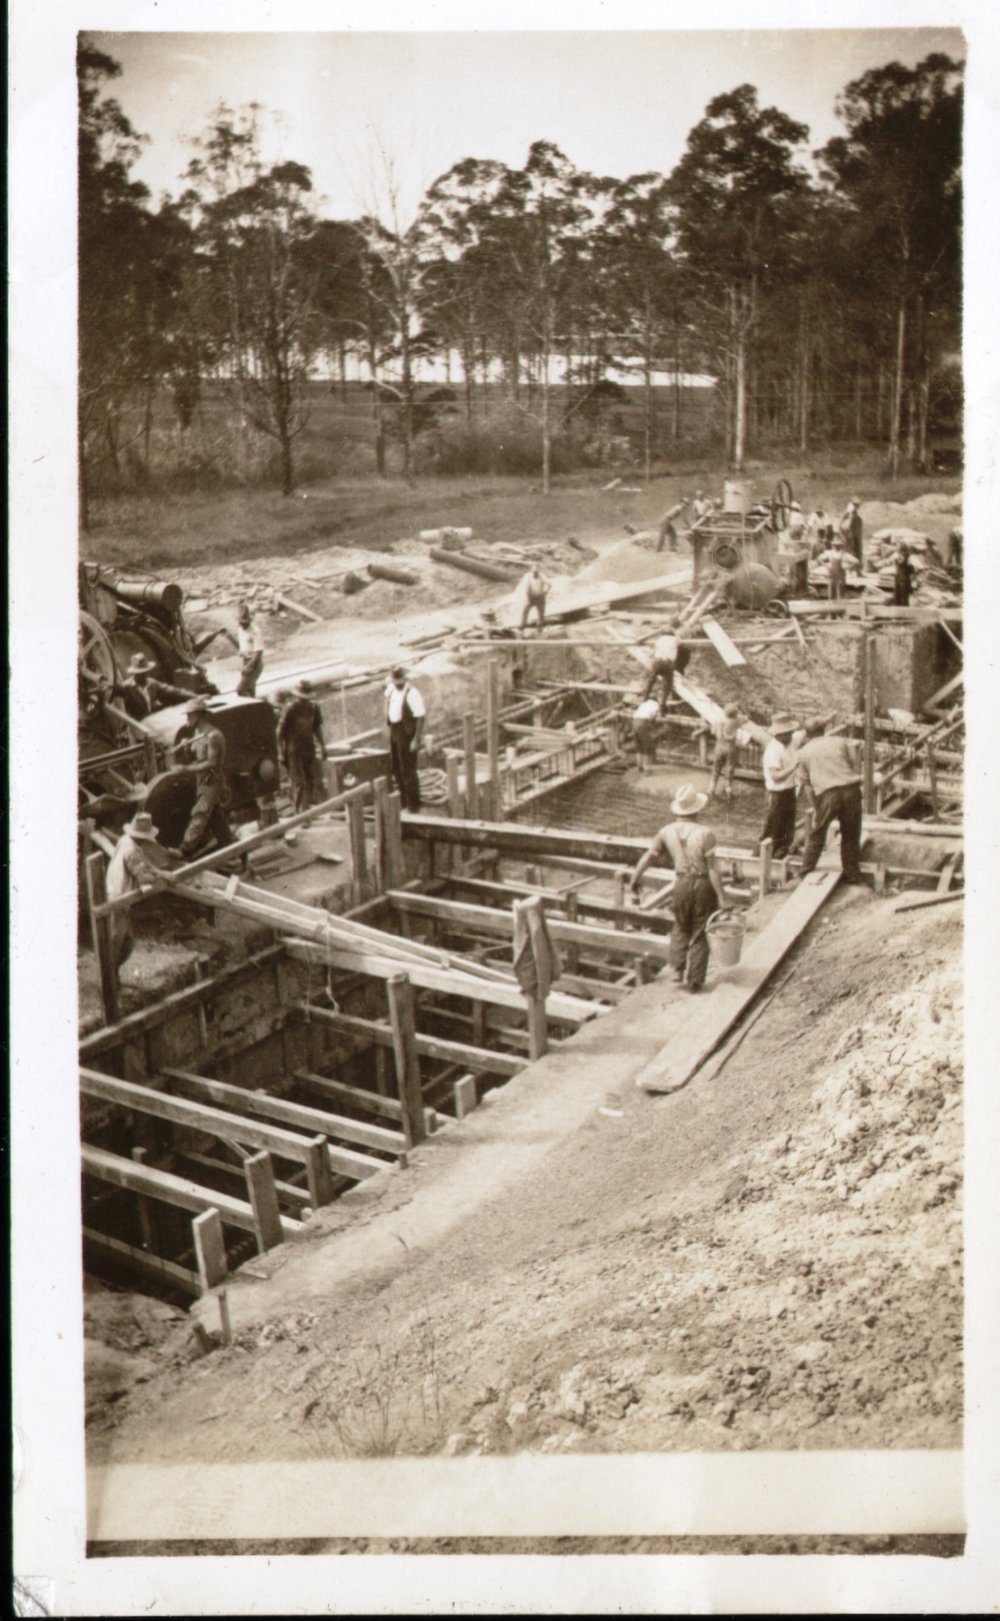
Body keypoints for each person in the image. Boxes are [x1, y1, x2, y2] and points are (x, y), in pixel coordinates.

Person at [626, 784, 728, 993]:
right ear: (697, 810)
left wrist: (635, 879)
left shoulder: (666, 831)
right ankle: (695, 980)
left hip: (680, 883)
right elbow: (712, 869)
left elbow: (649, 857)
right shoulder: (705, 833)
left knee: (681, 926)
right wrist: (722, 896)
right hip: (702, 885)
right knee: (700, 930)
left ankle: (677, 970)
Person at [795, 719, 865, 885]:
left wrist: (816, 808)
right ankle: (852, 874)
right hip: (851, 790)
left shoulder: (803, 752)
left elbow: (807, 786)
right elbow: (854, 763)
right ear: (824, 730)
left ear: (806, 734)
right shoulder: (839, 742)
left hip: (827, 794)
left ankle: (805, 872)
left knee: (817, 834)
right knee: (851, 834)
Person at [104, 811, 175, 965]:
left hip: (114, 890)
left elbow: (144, 862)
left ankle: (113, 977)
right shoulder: (131, 850)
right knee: (118, 942)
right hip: (119, 896)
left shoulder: (125, 840)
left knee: (127, 941)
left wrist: (161, 872)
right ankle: (110, 981)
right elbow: (143, 877)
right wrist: (163, 877)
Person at [172, 697, 236, 860]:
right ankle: (232, 848)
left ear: (199, 715)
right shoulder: (197, 734)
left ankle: (184, 849)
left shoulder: (213, 735)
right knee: (215, 815)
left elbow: (211, 763)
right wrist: (186, 748)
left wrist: (186, 769)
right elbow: (194, 757)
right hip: (202, 779)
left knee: (200, 812)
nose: (187, 719)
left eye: (190, 715)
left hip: (212, 780)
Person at [277, 679, 327, 813]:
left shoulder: (314, 708)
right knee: (299, 783)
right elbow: (279, 733)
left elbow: (317, 728)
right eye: (301, 698)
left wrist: (322, 746)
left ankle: (305, 810)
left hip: (308, 748)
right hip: (294, 749)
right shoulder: (290, 709)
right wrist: (280, 752)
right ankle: (300, 813)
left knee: (310, 781)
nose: (304, 701)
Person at [385, 664, 426, 812]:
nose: (398, 684)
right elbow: (386, 696)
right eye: (396, 681)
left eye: (400, 681)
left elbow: (420, 717)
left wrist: (416, 739)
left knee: (408, 769)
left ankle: (413, 804)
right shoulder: (392, 690)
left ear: (405, 679)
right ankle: (402, 800)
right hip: (395, 731)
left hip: (406, 732)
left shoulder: (412, 693)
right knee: (396, 767)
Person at [760, 712, 799, 860]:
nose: (790, 735)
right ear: (779, 734)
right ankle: (762, 859)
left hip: (789, 791)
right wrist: (794, 767)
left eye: (791, 732)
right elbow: (775, 777)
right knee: (772, 829)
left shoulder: (789, 744)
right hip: (777, 793)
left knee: (787, 830)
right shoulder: (773, 750)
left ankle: (780, 857)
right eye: (787, 733)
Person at [119, 653, 192, 720]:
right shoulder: (126, 687)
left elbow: (175, 691)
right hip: (137, 725)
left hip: (152, 721)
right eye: (140, 673)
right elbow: (112, 691)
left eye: (145, 672)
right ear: (134, 673)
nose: (143, 675)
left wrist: (195, 696)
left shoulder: (152, 683)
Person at [695, 702, 743, 800]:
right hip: (731, 747)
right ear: (735, 714)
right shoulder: (736, 722)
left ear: (724, 712)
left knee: (716, 767)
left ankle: (711, 789)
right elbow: (745, 722)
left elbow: (713, 732)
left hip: (719, 747)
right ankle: (728, 790)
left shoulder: (718, 721)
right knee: (730, 768)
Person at [642, 621, 680, 712]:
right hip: (668, 663)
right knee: (667, 683)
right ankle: (662, 704)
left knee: (651, 680)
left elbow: (652, 652)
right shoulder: (675, 639)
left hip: (657, 661)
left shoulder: (659, 640)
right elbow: (679, 639)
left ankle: (644, 698)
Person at [236, 603, 264, 697]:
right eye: (241, 622)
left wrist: (248, 666)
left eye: (244, 623)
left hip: (254, 663)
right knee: (250, 690)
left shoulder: (255, 631)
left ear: (249, 621)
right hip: (245, 661)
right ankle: (254, 709)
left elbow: (258, 652)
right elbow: (242, 644)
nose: (242, 624)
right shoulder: (240, 629)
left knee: (241, 690)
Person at [632, 696, 661, 772]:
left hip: (635, 722)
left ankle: (639, 767)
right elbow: (653, 717)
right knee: (648, 746)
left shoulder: (643, 704)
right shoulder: (656, 705)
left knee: (639, 747)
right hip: (643, 723)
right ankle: (648, 769)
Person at [520, 564, 551, 633]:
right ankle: (522, 625)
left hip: (540, 597)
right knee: (525, 611)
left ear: (538, 572)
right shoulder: (529, 577)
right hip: (532, 597)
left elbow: (549, 585)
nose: (535, 574)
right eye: (534, 572)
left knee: (541, 614)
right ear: (532, 572)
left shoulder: (542, 577)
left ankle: (540, 629)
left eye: (536, 572)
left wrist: (545, 592)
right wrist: (529, 598)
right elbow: (527, 589)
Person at [839, 498, 864, 565]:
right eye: (855, 504)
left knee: (858, 552)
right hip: (849, 536)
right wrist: (842, 536)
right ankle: (851, 569)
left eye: (857, 505)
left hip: (856, 536)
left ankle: (858, 570)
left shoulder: (855, 513)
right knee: (850, 552)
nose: (857, 506)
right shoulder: (847, 512)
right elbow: (841, 524)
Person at [892, 543, 915, 607]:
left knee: (904, 595)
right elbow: (896, 567)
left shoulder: (909, 558)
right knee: (897, 595)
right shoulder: (897, 557)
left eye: (902, 551)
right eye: (899, 551)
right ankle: (897, 609)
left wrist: (912, 576)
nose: (901, 553)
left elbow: (914, 569)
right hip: (898, 578)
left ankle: (904, 610)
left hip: (905, 579)